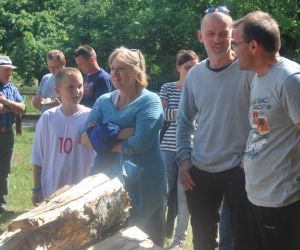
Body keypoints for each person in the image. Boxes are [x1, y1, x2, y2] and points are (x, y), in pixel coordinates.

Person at [176, 7, 254, 250]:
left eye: (223, 33)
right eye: (211, 33)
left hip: (239, 170)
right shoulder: (195, 75)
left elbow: (262, 121)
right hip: (200, 169)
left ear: (232, 34)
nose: (217, 39)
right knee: (202, 241)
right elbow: (184, 120)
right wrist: (183, 159)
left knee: (240, 240)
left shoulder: (248, 71)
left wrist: (247, 160)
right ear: (201, 36)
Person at [81, 47, 167, 247]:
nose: (115, 74)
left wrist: (102, 137)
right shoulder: (104, 101)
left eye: (122, 68)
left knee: (146, 242)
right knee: (110, 240)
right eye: (112, 68)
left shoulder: (150, 101)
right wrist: (123, 133)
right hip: (108, 182)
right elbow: (84, 139)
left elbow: (139, 144)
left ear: (137, 71)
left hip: (146, 184)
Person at [233, 11, 300, 250]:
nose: (232, 51)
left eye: (235, 44)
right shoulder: (259, 78)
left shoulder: (290, 79)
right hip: (255, 194)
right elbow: (263, 130)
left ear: (253, 46)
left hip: (281, 201)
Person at [31, 67, 95, 205]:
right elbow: (37, 156)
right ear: (58, 91)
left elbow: (95, 156)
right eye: (70, 88)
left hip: (79, 189)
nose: (77, 91)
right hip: (52, 188)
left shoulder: (90, 117)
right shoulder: (48, 118)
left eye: (79, 86)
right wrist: (36, 188)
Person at [160, 49, 199, 249]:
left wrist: (180, 114)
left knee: (185, 196)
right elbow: (162, 113)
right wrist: (185, 114)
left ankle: (180, 238)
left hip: (190, 149)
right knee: (164, 192)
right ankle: (158, 233)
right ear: (178, 67)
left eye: (195, 67)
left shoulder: (199, 88)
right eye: (187, 67)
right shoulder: (167, 87)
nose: (191, 71)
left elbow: (202, 117)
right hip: (166, 147)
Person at [0, 55, 26, 212]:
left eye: (11, 70)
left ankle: (1, 204)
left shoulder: (12, 88)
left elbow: (22, 109)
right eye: (6, 70)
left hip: (7, 134)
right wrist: (12, 107)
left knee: (4, 169)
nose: (10, 73)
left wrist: (6, 102)